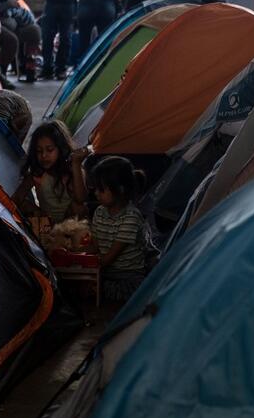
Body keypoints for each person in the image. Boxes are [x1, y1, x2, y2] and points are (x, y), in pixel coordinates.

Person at [88, 156, 151, 301]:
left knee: (99, 290)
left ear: (120, 190)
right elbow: (96, 247)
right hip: (105, 272)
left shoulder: (131, 217)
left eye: (101, 189)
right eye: (96, 189)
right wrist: (74, 254)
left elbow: (108, 258)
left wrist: (86, 268)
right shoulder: (99, 212)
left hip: (127, 276)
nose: (96, 193)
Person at [12, 120, 88, 223]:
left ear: (61, 148)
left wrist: (76, 165)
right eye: (39, 151)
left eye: (49, 150)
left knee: (79, 208)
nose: (44, 156)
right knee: (23, 204)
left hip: (69, 225)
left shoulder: (71, 170)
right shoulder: (38, 173)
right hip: (46, 222)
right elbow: (17, 197)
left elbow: (81, 199)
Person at [0, 0, 42, 83]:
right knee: (20, 45)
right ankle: (27, 70)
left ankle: (27, 67)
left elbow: (10, 19)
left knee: (32, 33)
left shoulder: (9, 8)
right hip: (29, 28)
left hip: (23, 26)